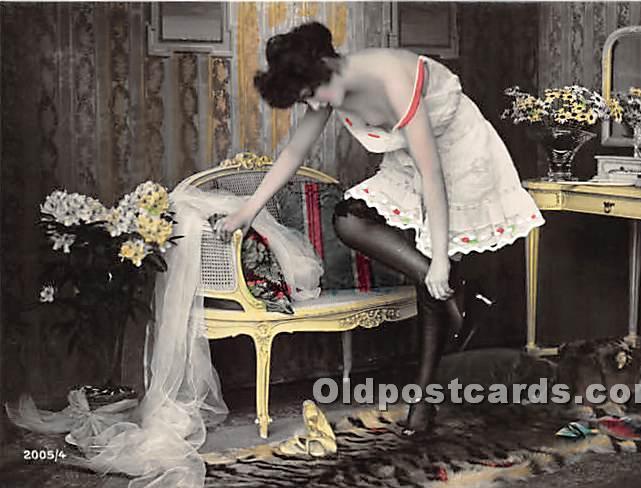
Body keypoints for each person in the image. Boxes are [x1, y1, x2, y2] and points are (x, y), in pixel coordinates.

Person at [214, 21, 545, 435]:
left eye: (311, 92)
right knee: (350, 220)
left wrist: (440, 261)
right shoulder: (327, 86)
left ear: (328, 65)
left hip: (457, 152)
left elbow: (432, 173)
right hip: (412, 159)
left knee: (433, 271)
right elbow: (293, 153)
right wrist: (247, 211)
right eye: (304, 98)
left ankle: (422, 403)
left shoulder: (391, 79)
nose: (312, 103)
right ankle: (459, 295)